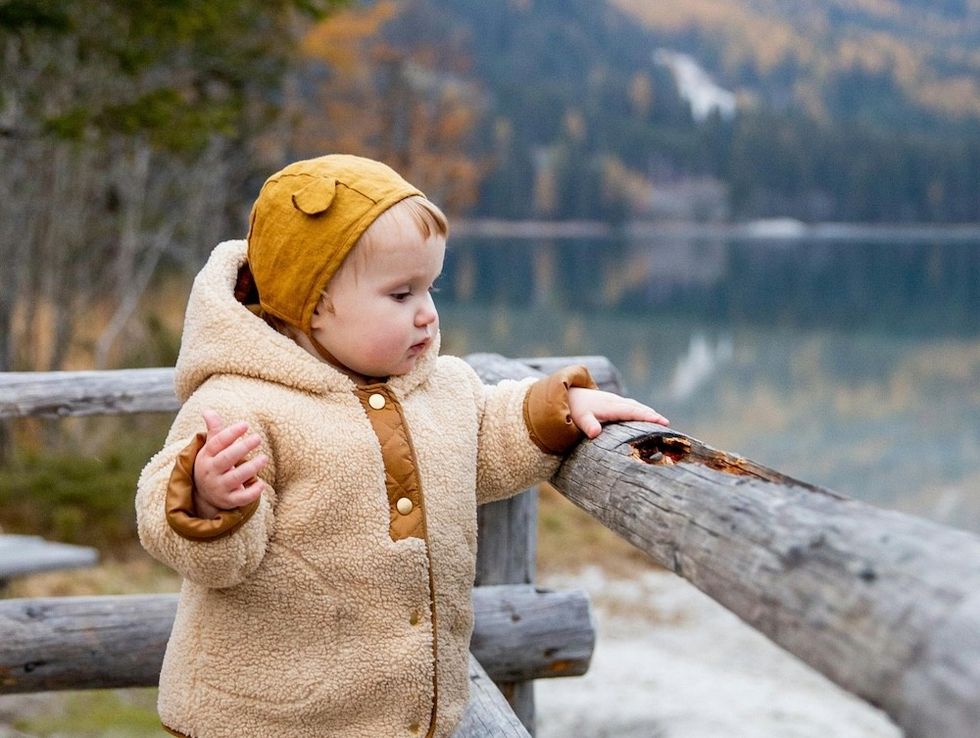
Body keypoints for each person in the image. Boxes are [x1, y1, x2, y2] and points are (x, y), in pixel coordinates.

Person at [136, 154, 668, 738]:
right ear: (312, 305)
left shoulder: (439, 389)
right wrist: (211, 502)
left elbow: (489, 433)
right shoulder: (243, 405)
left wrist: (563, 408)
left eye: (430, 287)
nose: (428, 314)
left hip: (402, 720)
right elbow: (204, 551)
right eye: (400, 294)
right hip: (261, 719)